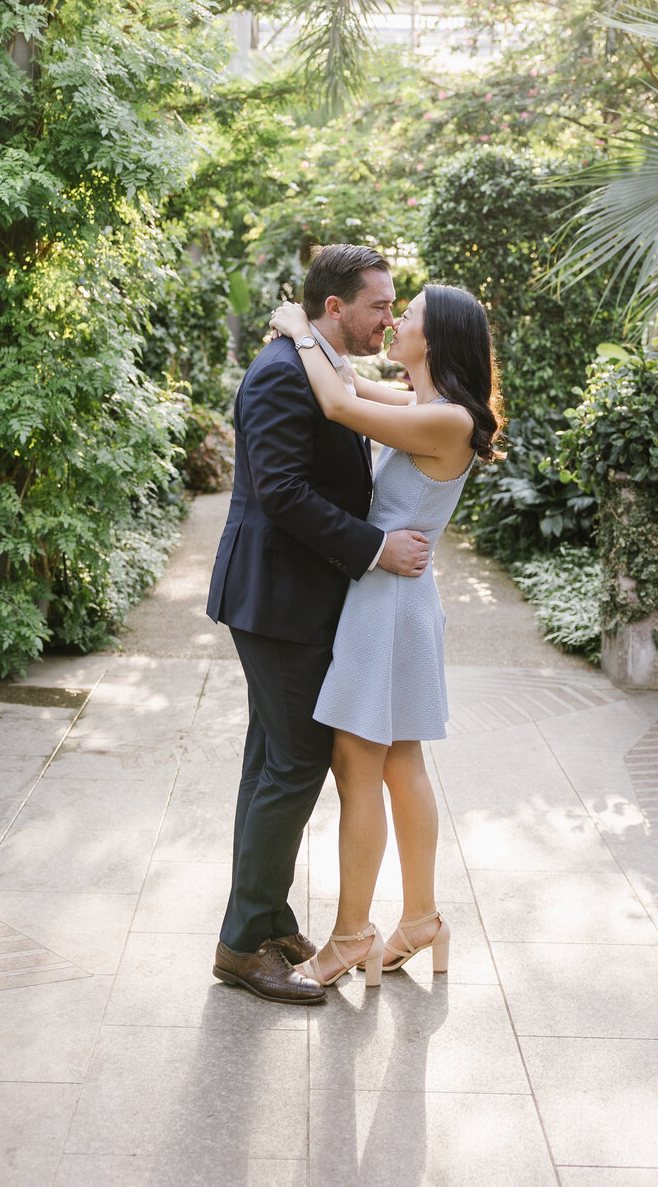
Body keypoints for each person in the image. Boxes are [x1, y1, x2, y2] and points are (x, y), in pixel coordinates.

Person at [208, 244, 433, 1006]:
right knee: (296, 763)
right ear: (334, 308)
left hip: (296, 596)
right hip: (276, 600)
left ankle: (265, 917)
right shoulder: (280, 372)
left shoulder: (318, 363)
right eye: (379, 305)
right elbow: (281, 493)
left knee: (270, 758)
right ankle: (240, 948)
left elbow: (353, 406)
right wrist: (374, 548)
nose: (388, 318)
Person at [268, 281, 501, 990]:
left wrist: (295, 326)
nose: (396, 322)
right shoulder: (431, 407)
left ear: (437, 340)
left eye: (410, 317)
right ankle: (422, 918)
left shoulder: (450, 422)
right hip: (395, 596)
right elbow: (350, 381)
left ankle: (349, 937)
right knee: (401, 765)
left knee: (359, 765)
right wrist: (318, 339)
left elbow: (340, 405)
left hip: (390, 604)